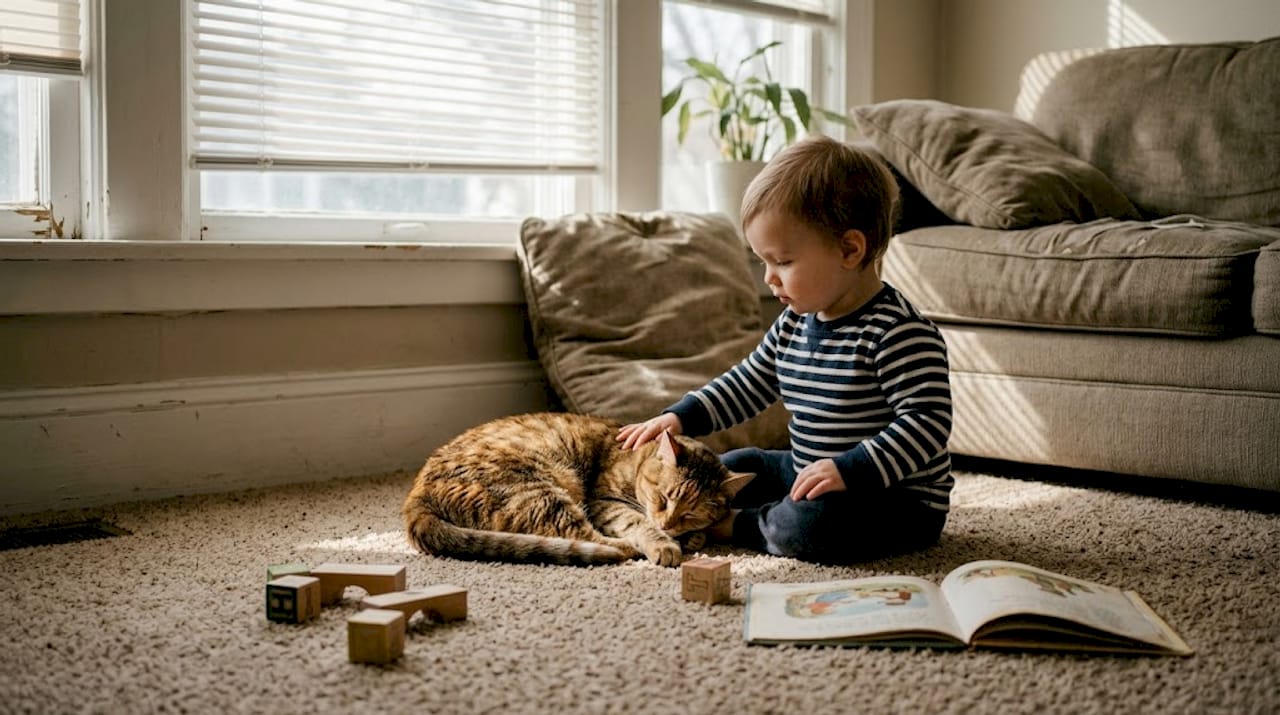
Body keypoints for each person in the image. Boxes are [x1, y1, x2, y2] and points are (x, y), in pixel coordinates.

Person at [617, 135, 953, 564]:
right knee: (732, 466)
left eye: (784, 262)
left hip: (891, 498)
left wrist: (850, 469)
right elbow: (749, 382)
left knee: (811, 526)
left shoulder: (899, 333)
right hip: (807, 468)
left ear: (850, 249)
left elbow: (927, 423)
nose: (769, 279)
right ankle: (749, 510)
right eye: (764, 262)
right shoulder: (795, 322)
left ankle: (743, 524)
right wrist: (681, 415)